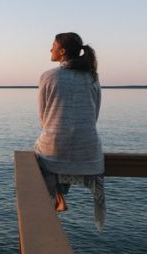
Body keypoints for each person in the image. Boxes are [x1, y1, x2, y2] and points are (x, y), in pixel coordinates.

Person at [34, 32, 105, 231]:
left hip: (55, 149)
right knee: (60, 151)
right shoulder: (92, 77)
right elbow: (94, 115)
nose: (50, 49)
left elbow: (43, 118)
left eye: (53, 46)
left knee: (42, 152)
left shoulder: (48, 76)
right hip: (89, 151)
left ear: (62, 51)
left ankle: (58, 195)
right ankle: (60, 193)